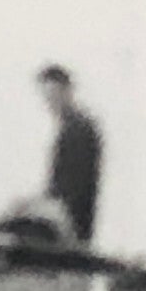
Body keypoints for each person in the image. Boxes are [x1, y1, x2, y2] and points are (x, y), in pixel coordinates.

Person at [37, 63, 102, 245]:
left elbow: (72, 187)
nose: (51, 103)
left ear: (67, 92)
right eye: (47, 98)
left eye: (54, 95)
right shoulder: (73, 128)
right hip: (69, 224)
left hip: (70, 228)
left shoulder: (79, 129)